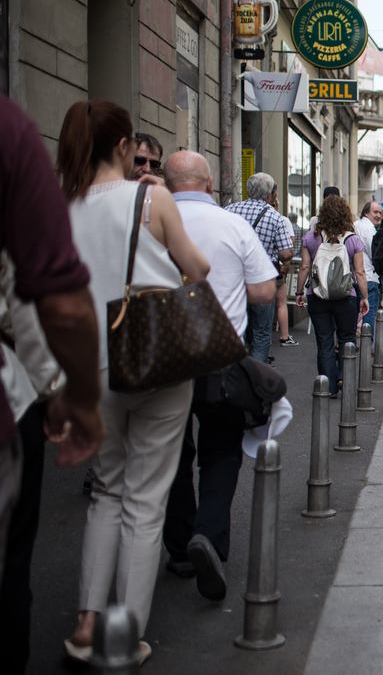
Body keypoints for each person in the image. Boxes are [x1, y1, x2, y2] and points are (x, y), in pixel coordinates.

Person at [58, 100, 210, 665]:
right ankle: (123, 639)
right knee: (146, 502)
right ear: (124, 147)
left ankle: (84, 624)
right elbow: (197, 269)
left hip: (89, 362)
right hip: (151, 359)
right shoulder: (151, 197)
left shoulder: (63, 205)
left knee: (106, 492)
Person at [0, 96, 103, 674]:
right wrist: (70, 396)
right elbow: (47, 303)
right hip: (9, 401)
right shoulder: (11, 132)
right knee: (12, 564)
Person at [161, 151, 277, 600]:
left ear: (168, 183)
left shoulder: (151, 220)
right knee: (222, 450)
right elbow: (265, 291)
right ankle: (208, 535)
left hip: (162, 356)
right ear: (210, 183)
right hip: (221, 355)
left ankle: (180, 550)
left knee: (170, 453)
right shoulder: (233, 225)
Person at [296, 195, 370, 395]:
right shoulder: (353, 239)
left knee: (324, 340)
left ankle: (327, 386)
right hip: (346, 296)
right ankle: (344, 380)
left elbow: (304, 266)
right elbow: (360, 272)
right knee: (347, 338)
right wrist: (364, 297)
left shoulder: (311, 237)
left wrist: (299, 291)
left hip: (317, 296)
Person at [226, 174, 292, 364]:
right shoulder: (274, 217)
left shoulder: (230, 210)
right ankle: (255, 378)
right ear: (271, 194)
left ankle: (237, 373)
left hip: (235, 277)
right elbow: (286, 254)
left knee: (238, 328)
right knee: (262, 332)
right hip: (262, 280)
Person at [353, 200, 383, 339]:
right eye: (375, 212)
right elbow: (375, 253)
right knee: (368, 318)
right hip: (368, 278)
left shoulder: (356, 225)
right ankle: (365, 353)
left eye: (380, 212)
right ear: (366, 212)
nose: (378, 215)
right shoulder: (369, 229)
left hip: (354, 278)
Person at [272, 196, 298, 348]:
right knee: (281, 303)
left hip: (254, 268)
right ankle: (284, 336)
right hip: (277, 266)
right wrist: (286, 264)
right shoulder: (281, 220)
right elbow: (289, 245)